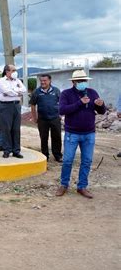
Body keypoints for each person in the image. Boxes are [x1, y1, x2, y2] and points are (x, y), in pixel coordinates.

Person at [55, 70, 106, 199]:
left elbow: (101, 111)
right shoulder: (66, 94)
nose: (82, 83)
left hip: (89, 133)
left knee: (87, 161)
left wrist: (101, 105)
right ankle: (63, 184)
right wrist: (80, 103)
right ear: (73, 82)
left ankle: (82, 186)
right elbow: (62, 110)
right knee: (67, 160)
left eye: (84, 80)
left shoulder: (92, 92)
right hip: (72, 133)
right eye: (79, 81)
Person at [29, 74, 62, 162]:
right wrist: (34, 117)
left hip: (55, 118)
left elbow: (62, 103)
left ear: (50, 81)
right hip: (42, 119)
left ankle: (57, 155)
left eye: (45, 81)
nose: (43, 82)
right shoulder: (37, 91)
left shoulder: (56, 91)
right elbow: (32, 104)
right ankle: (45, 155)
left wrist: (60, 115)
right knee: (43, 137)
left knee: (57, 137)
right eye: (41, 81)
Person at [0, 64, 27, 159]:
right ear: (7, 71)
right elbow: (6, 91)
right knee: (6, 129)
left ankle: (16, 151)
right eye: (13, 70)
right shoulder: (0, 81)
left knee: (16, 129)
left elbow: (24, 90)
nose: (15, 72)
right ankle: (7, 150)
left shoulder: (17, 81)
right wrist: (17, 92)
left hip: (16, 106)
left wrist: (13, 92)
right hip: (5, 106)